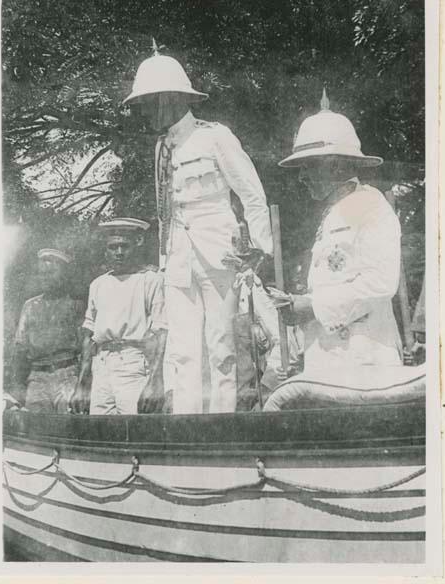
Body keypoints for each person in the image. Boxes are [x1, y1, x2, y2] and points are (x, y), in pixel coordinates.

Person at [123, 47, 273, 414]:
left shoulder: (214, 137)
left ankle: (221, 425)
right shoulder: (161, 148)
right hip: (178, 259)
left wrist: (261, 249)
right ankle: (188, 426)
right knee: (183, 350)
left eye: (147, 102)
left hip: (218, 253)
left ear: (168, 98)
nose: (143, 111)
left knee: (221, 347)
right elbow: (166, 213)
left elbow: (252, 194)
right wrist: (163, 260)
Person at [268, 91, 403, 380]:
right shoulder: (332, 213)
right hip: (329, 362)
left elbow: (381, 284)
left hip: (365, 360)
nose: (302, 176)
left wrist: (313, 307)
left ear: (338, 164)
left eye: (309, 165)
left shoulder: (373, 207)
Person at [70, 218, 167, 415]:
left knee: (135, 429)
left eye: (125, 246)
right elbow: (89, 334)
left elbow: (162, 331)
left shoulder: (151, 280)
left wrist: (156, 381)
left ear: (136, 245)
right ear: (106, 250)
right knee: (99, 430)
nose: (119, 252)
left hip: (134, 363)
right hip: (102, 366)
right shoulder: (98, 284)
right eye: (113, 247)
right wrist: (82, 382)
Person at [11, 249, 84, 412]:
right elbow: (19, 347)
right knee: (36, 427)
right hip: (37, 378)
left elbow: (85, 347)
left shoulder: (75, 305)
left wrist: (82, 384)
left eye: (51, 272)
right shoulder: (30, 306)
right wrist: (17, 386)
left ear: (64, 275)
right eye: (41, 273)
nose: (45, 277)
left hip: (67, 375)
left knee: (68, 423)